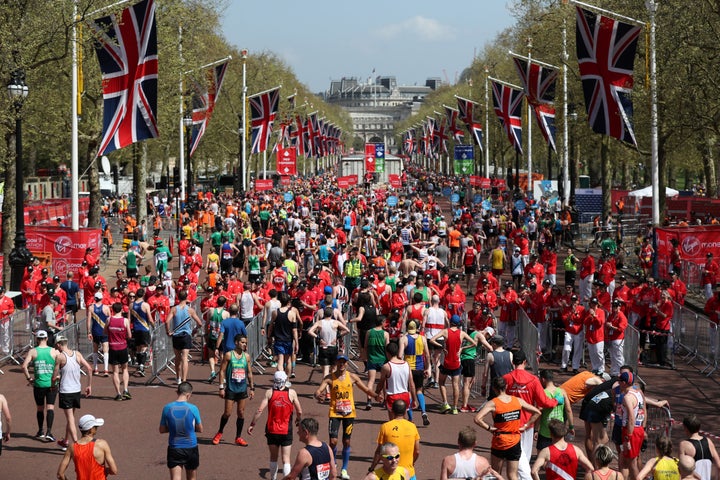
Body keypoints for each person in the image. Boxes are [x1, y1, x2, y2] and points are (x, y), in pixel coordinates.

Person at [315, 354, 378, 480]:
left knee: (346, 441)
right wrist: (318, 395)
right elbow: (318, 391)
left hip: (349, 414)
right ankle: (333, 464)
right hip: (335, 413)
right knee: (333, 442)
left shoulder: (353, 377)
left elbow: (366, 389)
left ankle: (344, 469)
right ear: (336, 363)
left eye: (344, 362)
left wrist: (376, 396)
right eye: (339, 362)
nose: (342, 364)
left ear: (347, 364)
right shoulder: (330, 378)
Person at [503, 350, 558, 480]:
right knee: (523, 457)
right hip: (528, 422)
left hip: (509, 421)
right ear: (525, 362)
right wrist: (556, 401)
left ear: (512, 362)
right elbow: (543, 401)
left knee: (518, 458)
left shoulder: (506, 378)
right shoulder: (533, 379)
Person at [474, 376, 541, 480]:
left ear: (494, 388)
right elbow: (537, 412)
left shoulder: (493, 403)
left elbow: (477, 419)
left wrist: (489, 428)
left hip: (499, 441)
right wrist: (526, 425)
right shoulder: (517, 401)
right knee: (512, 475)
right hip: (514, 441)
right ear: (506, 386)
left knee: (496, 474)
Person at [248, 371, 303, 480]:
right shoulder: (291, 393)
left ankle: (273, 478)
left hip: (272, 430)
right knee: (286, 459)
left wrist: (252, 424)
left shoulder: (269, 392)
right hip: (286, 430)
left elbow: (259, 410)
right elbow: (299, 411)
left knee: (273, 458)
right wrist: (298, 419)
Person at [428, 314, 479, 415]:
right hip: (456, 362)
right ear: (459, 323)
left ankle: (446, 403)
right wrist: (462, 348)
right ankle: (455, 407)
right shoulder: (462, 333)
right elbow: (474, 343)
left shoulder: (445, 331)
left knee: (441, 382)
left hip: (446, 362)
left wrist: (442, 347)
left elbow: (432, 339)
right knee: (455, 385)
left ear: (450, 322)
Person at [212, 334, 255, 446]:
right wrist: (221, 387)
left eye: (245, 342)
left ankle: (238, 437)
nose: (244, 344)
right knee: (227, 413)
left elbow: (249, 373)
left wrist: (252, 388)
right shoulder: (228, 355)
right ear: (236, 342)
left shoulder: (247, 357)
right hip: (231, 388)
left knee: (241, 413)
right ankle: (219, 432)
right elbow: (222, 371)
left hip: (242, 389)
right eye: (242, 342)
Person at [52, 335, 93, 451]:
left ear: (59, 344)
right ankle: (65, 441)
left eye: (56, 345)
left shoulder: (60, 357)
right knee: (70, 418)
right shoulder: (77, 354)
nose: (56, 348)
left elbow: (54, 377)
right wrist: (89, 385)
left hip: (66, 391)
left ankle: (77, 445)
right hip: (76, 390)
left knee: (70, 419)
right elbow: (89, 369)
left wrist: (53, 383)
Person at [22, 329, 60, 442]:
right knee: (50, 407)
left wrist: (29, 378)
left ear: (37, 339)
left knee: (40, 408)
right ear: (47, 338)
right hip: (52, 384)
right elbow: (62, 364)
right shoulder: (54, 351)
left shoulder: (33, 351)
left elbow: (24, 366)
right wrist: (58, 376)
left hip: (38, 384)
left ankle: (40, 430)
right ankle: (49, 432)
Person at [159, 382, 203, 480]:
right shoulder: (193, 408)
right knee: (191, 478)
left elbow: (162, 429)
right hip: (191, 447)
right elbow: (200, 429)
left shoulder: (167, 408)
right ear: (188, 395)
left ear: (177, 392)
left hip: (175, 447)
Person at [369, 400, 420, 480]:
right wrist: (411, 463)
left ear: (392, 411)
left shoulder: (385, 427)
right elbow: (417, 451)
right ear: (405, 412)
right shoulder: (413, 427)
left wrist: (372, 468)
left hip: (391, 474)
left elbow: (379, 451)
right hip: (409, 473)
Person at [57, 414, 118, 480]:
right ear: (91, 429)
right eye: (96, 427)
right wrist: (106, 471)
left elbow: (60, 474)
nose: (97, 428)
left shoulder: (72, 447)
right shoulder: (102, 444)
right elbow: (114, 470)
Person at [398, 320, 431, 425]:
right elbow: (427, 355)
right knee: (419, 390)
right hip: (420, 368)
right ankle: (424, 412)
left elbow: (399, 355)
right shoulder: (423, 338)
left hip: (408, 369)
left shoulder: (404, 339)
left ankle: (411, 418)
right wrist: (427, 367)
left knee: (408, 392)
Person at [166, 290, 202, 385]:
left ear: (178, 297)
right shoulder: (190, 310)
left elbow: (167, 321)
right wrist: (195, 330)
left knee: (177, 358)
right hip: (186, 335)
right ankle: (184, 380)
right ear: (186, 298)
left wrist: (168, 331)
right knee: (185, 358)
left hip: (176, 335)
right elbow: (200, 323)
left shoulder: (174, 309)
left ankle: (178, 378)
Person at [307, 306, 350, 380]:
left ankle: (326, 389)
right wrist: (338, 336)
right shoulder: (336, 322)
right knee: (333, 370)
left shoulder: (319, 322)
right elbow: (347, 330)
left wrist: (318, 337)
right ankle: (331, 387)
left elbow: (310, 331)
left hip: (323, 348)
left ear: (324, 314)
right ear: (332, 314)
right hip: (333, 347)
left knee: (325, 371)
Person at [536, 370, 572, 453]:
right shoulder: (562, 392)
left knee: (541, 457)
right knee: (558, 455)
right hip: (559, 430)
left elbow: (538, 413)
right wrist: (571, 426)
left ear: (543, 379)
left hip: (545, 431)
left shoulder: (542, 393)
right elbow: (568, 410)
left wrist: (536, 430)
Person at [678, 415, 720, 480]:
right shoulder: (709, 442)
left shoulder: (684, 445)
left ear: (685, 428)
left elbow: (680, 468)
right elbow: (719, 466)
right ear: (699, 427)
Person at [104, 303, 132, 401]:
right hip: (122, 347)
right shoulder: (125, 320)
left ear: (113, 310)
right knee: (125, 369)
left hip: (113, 348)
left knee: (115, 372)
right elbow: (129, 335)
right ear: (121, 310)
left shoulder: (109, 320)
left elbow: (104, 331)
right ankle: (126, 389)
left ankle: (118, 393)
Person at [268, 292, 299, 376]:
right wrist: (296, 342)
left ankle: (280, 379)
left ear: (280, 301)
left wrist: (269, 337)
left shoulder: (275, 313)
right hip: (288, 340)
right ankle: (287, 380)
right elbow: (294, 330)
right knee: (288, 360)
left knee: (280, 361)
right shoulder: (292, 314)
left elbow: (271, 326)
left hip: (279, 340)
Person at [129, 288, 154, 375]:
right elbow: (150, 318)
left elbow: (129, 319)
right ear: (143, 295)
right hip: (144, 329)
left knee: (139, 348)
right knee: (144, 347)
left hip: (136, 329)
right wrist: (154, 326)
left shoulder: (131, 305)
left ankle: (140, 365)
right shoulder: (146, 305)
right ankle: (141, 366)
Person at [87, 292, 111, 377]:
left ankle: (96, 368)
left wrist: (88, 332)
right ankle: (106, 369)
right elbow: (110, 320)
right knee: (105, 350)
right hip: (104, 331)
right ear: (102, 298)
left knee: (95, 349)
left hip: (95, 331)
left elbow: (89, 321)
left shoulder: (91, 308)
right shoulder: (106, 308)